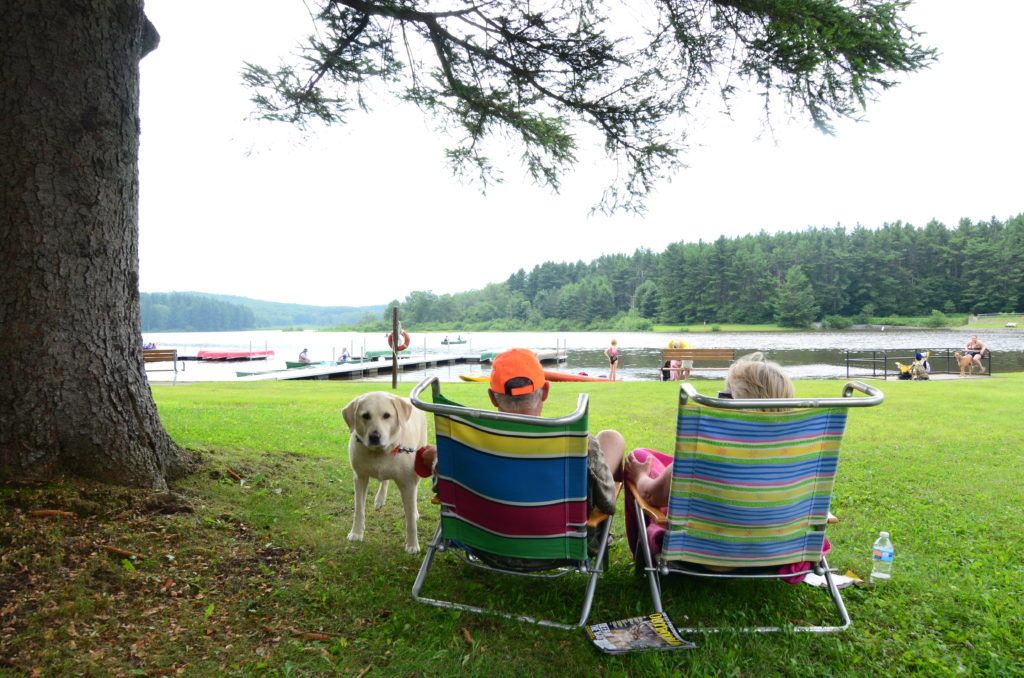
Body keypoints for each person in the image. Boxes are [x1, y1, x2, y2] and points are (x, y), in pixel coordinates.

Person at [623, 352, 825, 583]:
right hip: (777, 552)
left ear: (731, 402)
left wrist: (639, 477)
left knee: (640, 457)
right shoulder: (802, 455)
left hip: (703, 554)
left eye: (723, 394)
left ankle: (643, 562)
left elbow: (652, 495)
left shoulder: (706, 449)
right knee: (670, 466)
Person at [415, 348, 624, 558]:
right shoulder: (576, 444)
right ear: (545, 391)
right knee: (612, 438)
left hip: (483, 544)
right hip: (561, 550)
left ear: (493, 398)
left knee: (609, 438)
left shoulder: (465, 443)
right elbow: (607, 502)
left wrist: (436, 457)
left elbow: (441, 488)